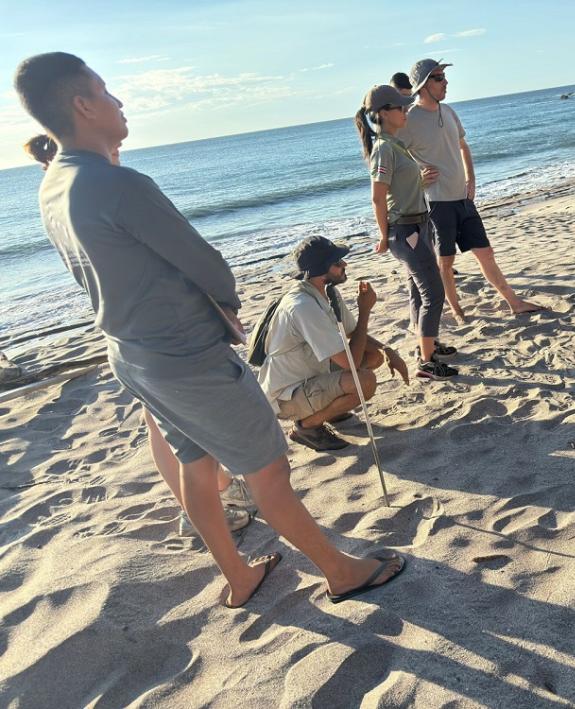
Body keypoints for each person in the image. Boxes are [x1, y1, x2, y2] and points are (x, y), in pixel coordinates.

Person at [15, 52, 405, 608]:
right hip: (187, 355)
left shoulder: (54, 183)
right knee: (268, 471)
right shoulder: (115, 183)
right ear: (81, 104)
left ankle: (239, 576)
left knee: (195, 467)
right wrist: (227, 311)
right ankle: (340, 572)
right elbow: (208, 265)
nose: (118, 101)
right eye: (105, 92)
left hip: (132, 353)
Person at [23, 133, 255, 536]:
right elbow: (190, 256)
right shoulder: (110, 186)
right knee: (181, 427)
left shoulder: (58, 193)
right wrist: (226, 302)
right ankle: (202, 506)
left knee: (163, 424)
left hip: (124, 335)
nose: (117, 148)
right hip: (162, 334)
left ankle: (212, 495)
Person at [399, 59, 543, 322]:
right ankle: (456, 310)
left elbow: (464, 146)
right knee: (446, 262)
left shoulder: (450, 111)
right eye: (439, 78)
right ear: (423, 84)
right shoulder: (409, 120)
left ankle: (514, 302)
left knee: (485, 253)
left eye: (444, 77)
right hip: (437, 203)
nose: (445, 82)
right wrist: (417, 179)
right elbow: (395, 161)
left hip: (463, 200)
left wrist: (471, 180)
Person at [259, 235, 410, 451]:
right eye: (337, 262)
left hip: (311, 375)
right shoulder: (303, 306)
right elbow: (351, 362)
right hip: (287, 395)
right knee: (364, 382)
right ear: (321, 271)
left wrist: (388, 350)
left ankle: (333, 409)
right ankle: (307, 426)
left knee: (374, 355)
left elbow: (353, 334)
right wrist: (365, 310)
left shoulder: (326, 291)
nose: (344, 264)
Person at [355, 83, 459, 380]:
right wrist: (383, 235)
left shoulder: (397, 145)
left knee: (418, 289)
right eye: (400, 107)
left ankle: (427, 345)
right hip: (405, 229)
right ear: (383, 114)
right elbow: (377, 197)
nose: (405, 111)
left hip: (419, 223)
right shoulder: (384, 149)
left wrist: (421, 183)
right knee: (433, 292)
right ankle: (426, 363)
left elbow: (400, 189)